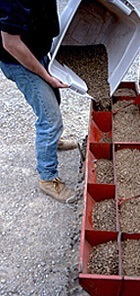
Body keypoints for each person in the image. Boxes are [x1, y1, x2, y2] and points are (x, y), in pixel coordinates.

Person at [0, 0, 77, 203]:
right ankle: (47, 178)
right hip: (19, 61)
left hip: (38, 50)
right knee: (50, 119)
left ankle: (52, 142)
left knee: (53, 101)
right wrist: (46, 75)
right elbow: (9, 42)